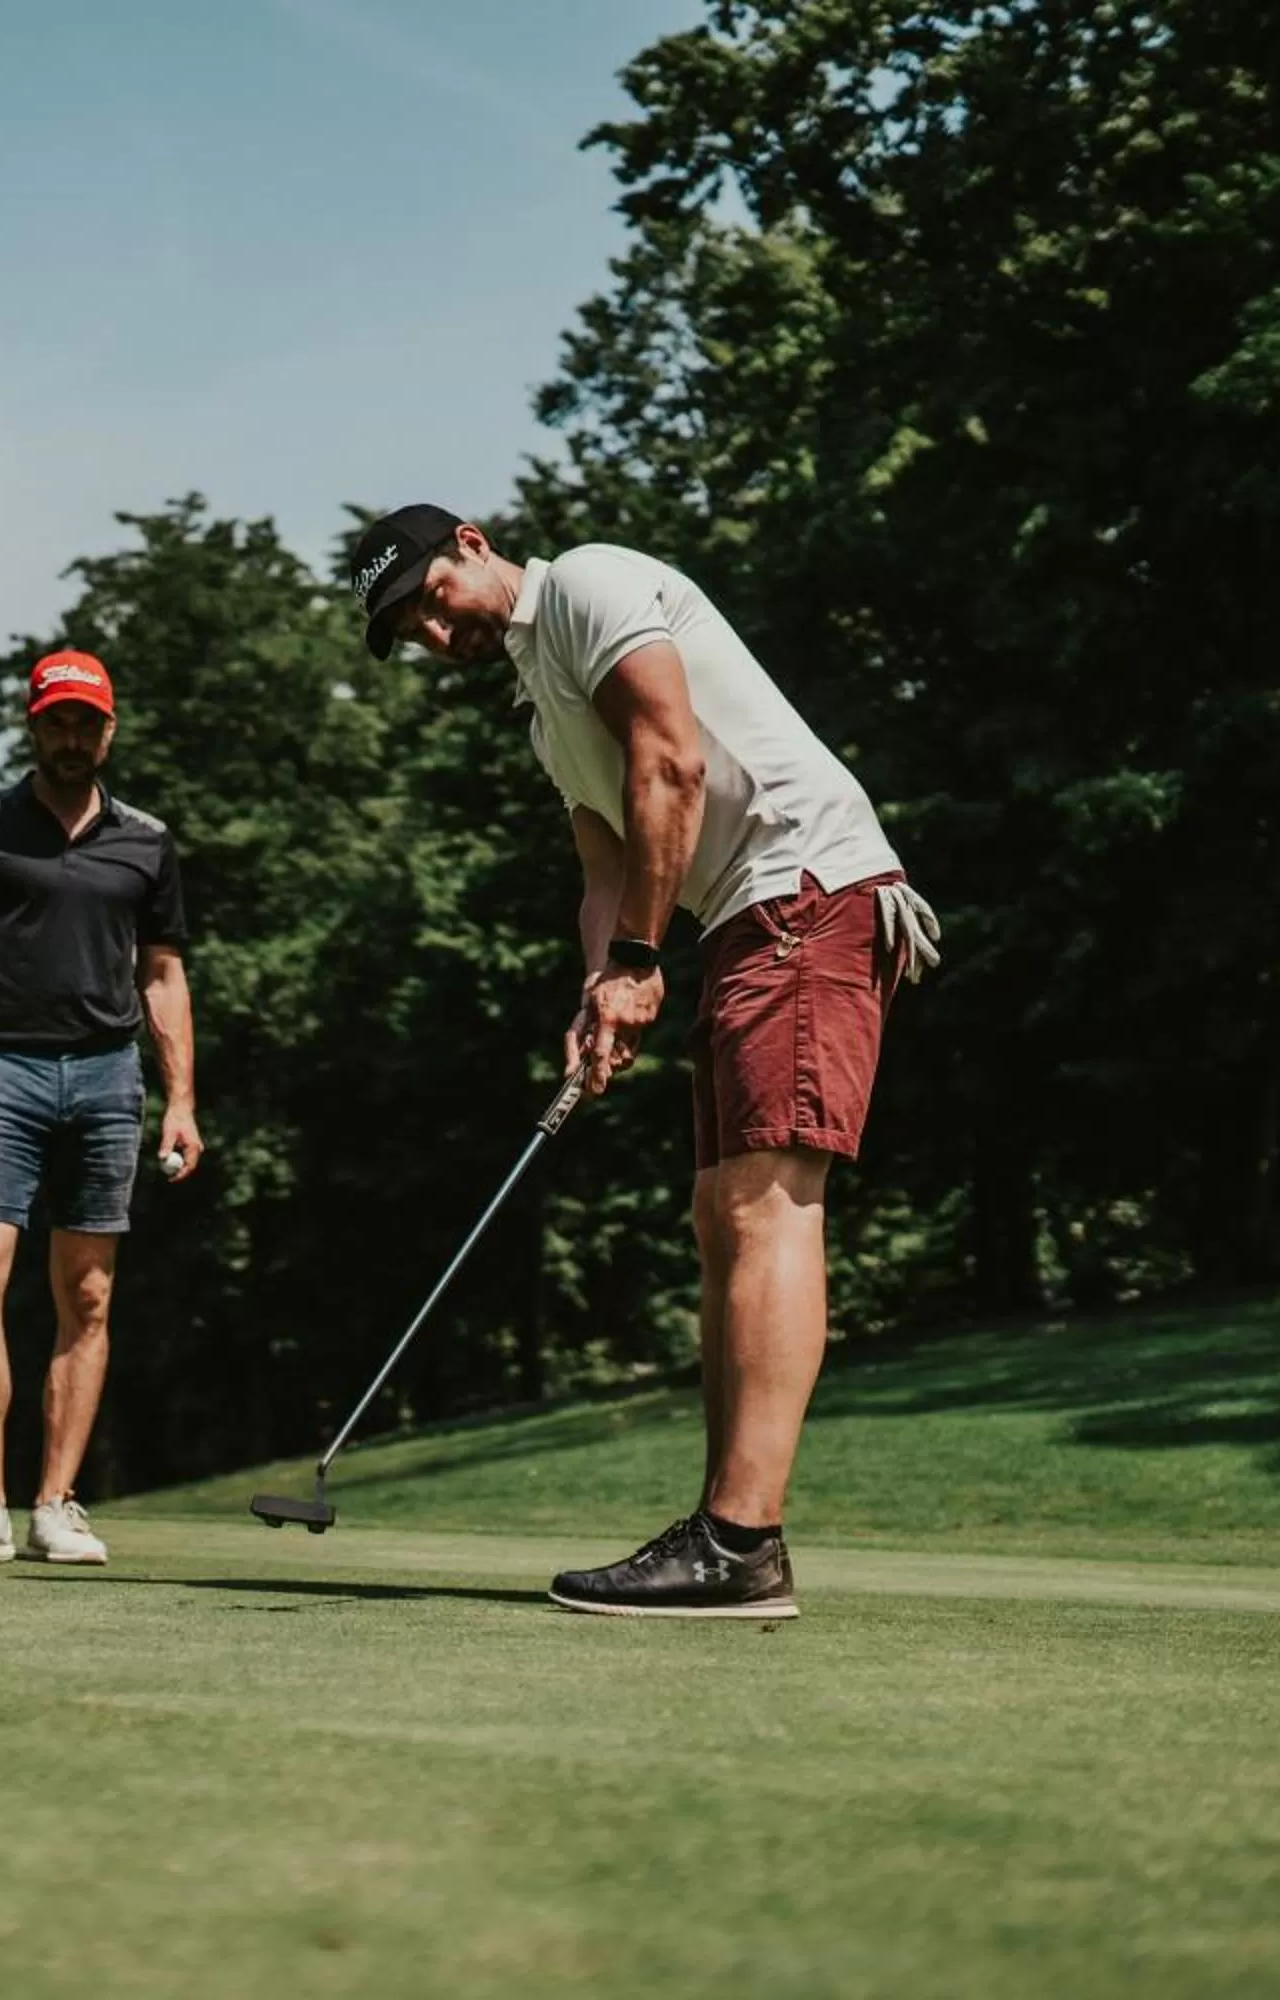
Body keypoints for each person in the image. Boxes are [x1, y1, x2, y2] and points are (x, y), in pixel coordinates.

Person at [350, 505, 938, 1618]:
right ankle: (729, 1524)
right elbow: (603, 863)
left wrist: (636, 959)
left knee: (767, 1206)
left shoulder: (587, 585)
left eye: (431, 598)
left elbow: (672, 759)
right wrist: (600, 991)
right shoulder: (543, 716)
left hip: (802, 891)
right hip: (741, 921)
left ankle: (740, 1537)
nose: (435, 635)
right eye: (410, 632)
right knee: (720, 1213)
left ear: (471, 544)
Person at [0, 649, 202, 1566]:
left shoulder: (147, 841)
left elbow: (165, 977)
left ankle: (56, 1506)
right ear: (32, 725)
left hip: (108, 1077)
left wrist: (182, 1099)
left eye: (86, 723)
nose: (72, 738)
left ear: (110, 729)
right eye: (56, 721)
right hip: (3, 1073)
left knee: (88, 1294)